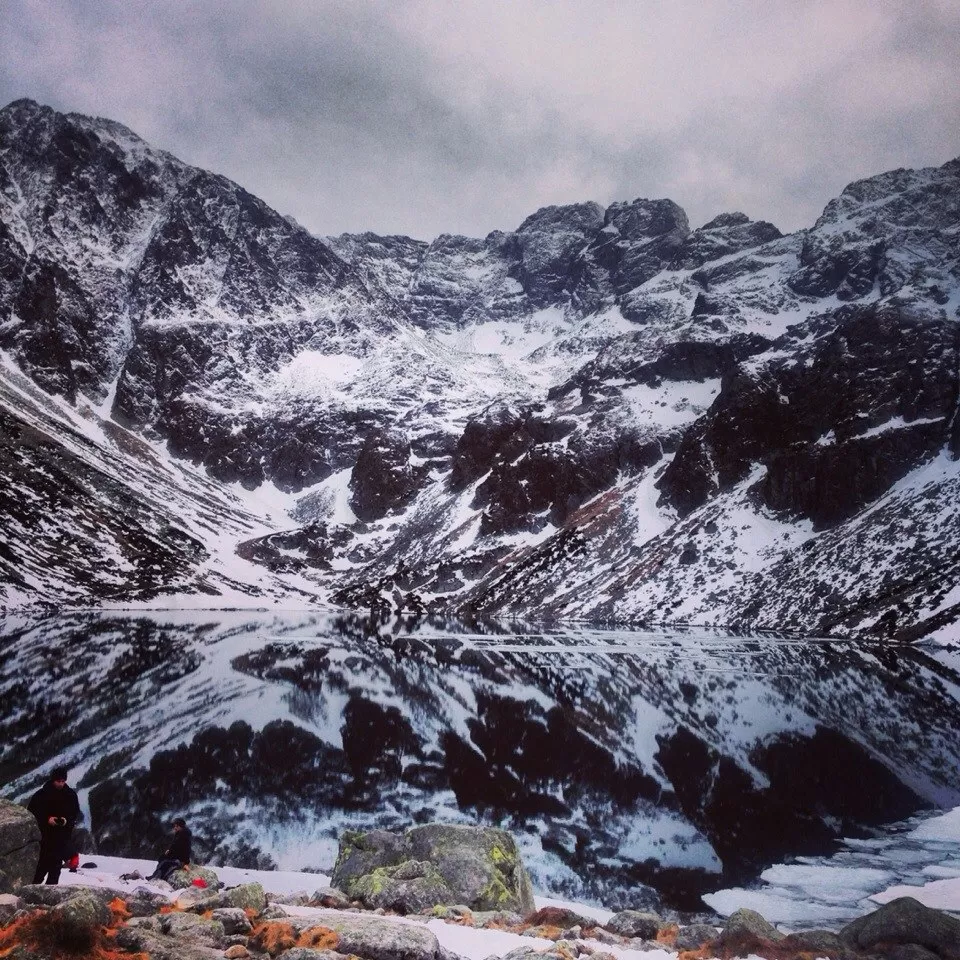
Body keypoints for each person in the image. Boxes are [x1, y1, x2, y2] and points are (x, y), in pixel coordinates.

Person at [27, 767, 81, 885]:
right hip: (44, 839)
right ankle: (30, 895)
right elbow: (31, 813)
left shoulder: (70, 795)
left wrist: (65, 821)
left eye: (63, 781)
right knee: (39, 872)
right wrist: (47, 819)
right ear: (53, 780)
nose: (61, 784)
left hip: (60, 840)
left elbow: (74, 813)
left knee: (54, 873)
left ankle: (47, 898)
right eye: (58, 781)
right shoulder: (41, 795)